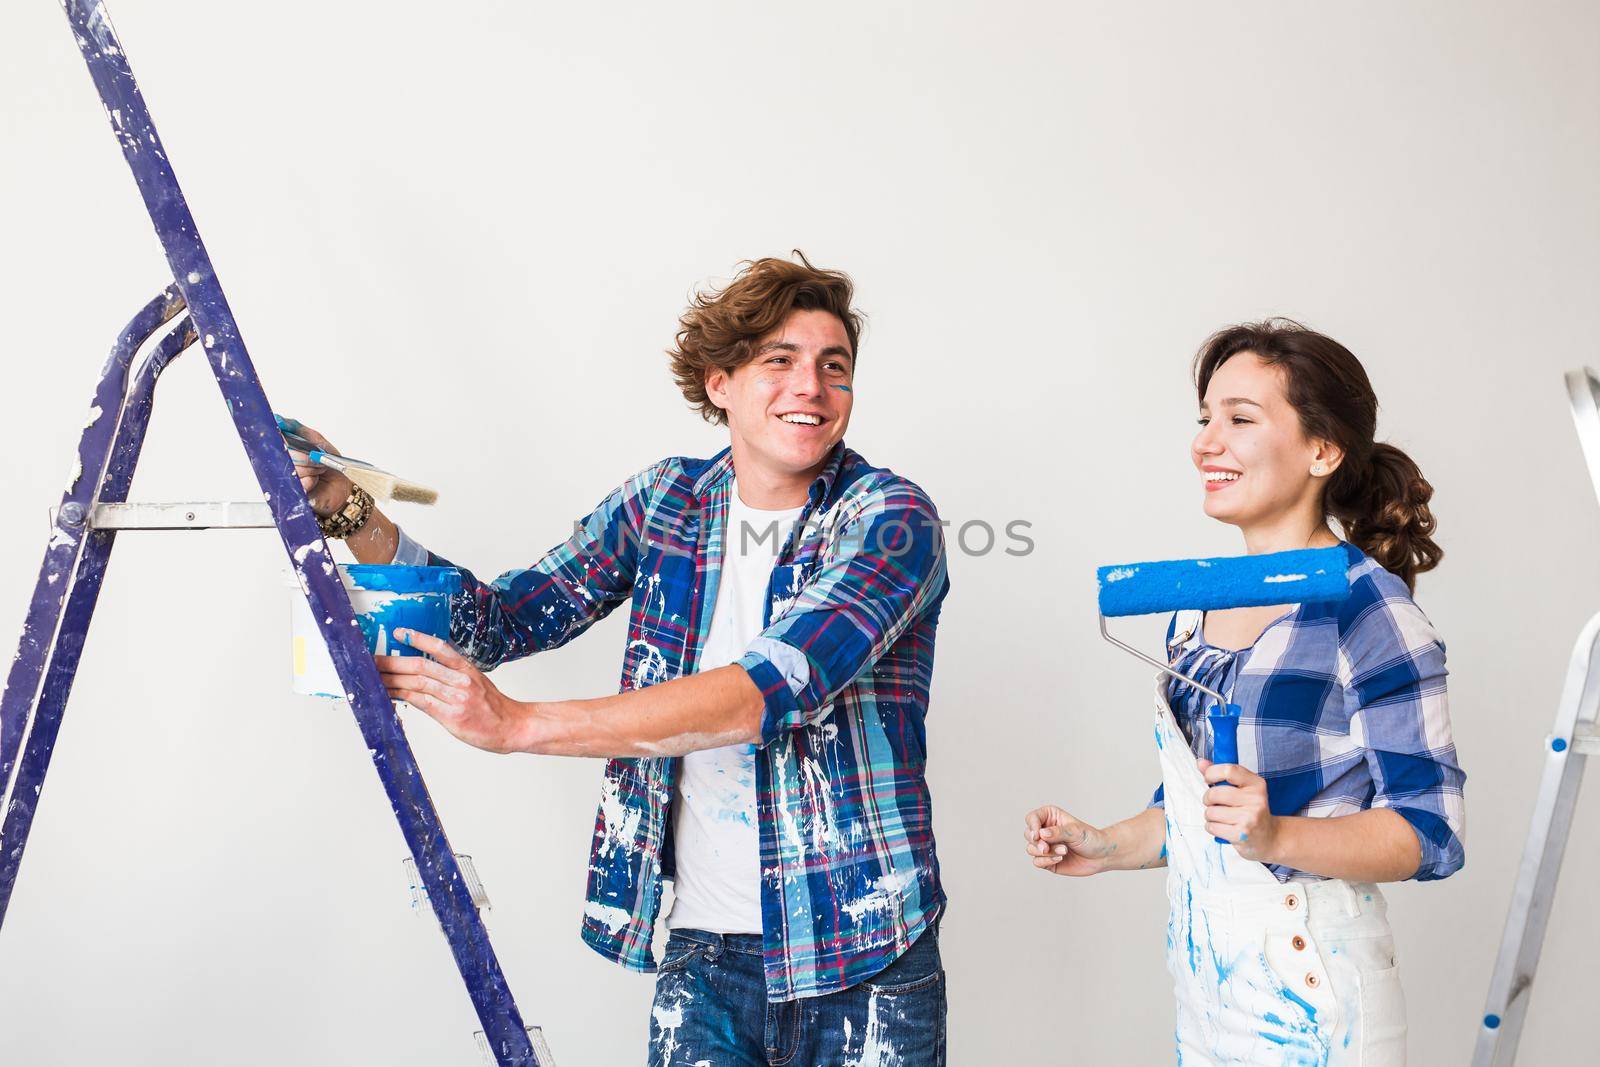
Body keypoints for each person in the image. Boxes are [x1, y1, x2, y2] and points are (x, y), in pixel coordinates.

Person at [288, 254, 951, 1066]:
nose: (810, 385)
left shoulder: (892, 520)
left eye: (833, 367)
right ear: (721, 383)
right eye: (780, 360)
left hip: (866, 955)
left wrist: (518, 724)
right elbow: (499, 621)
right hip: (705, 957)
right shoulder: (666, 503)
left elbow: (762, 694)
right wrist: (349, 507)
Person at [1022, 320, 1465, 1065]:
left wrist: (1279, 837)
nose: (1205, 442)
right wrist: (1105, 843)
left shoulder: (1369, 610)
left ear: (1323, 451)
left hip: (1316, 982)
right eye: (1204, 418)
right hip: (1208, 984)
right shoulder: (1199, 608)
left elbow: (1432, 832)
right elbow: (1203, 814)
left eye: (1239, 419)